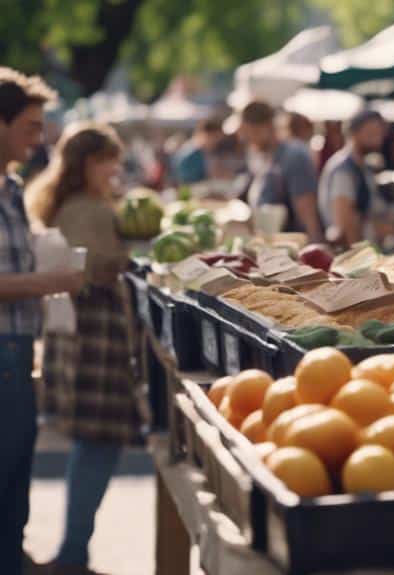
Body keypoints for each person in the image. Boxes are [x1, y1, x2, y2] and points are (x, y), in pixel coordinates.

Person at [25, 123, 143, 575]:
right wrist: (133, 250)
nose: (114, 168)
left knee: (94, 440)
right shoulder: (85, 210)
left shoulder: (76, 203)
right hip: (93, 329)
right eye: (106, 160)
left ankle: (74, 551)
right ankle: (73, 554)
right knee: (98, 438)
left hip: (80, 328)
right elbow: (91, 269)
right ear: (86, 164)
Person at [0, 67, 84, 575]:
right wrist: (50, 281)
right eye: (30, 126)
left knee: (14, 499)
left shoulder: (11, 189)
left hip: (17, 353)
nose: (40, 137)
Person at [239, 101, 323, 241]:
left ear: (264, 127)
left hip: (293, 244)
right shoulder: (267, 157)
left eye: (248, 134)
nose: (247, 141)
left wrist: (315, 244)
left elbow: (307, 209)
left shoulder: (293, 156)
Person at [318, 109, 393, 245]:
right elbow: (345, 224)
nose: (379, 137)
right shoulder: (343, 170)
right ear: (355, 132)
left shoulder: (362, 166)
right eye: (372, 132)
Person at [172, 116, 223, 184]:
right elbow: (186, 183)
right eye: (215, 137)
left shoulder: (202, 152)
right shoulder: (190, 154)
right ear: (205, 135)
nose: (216, 142)